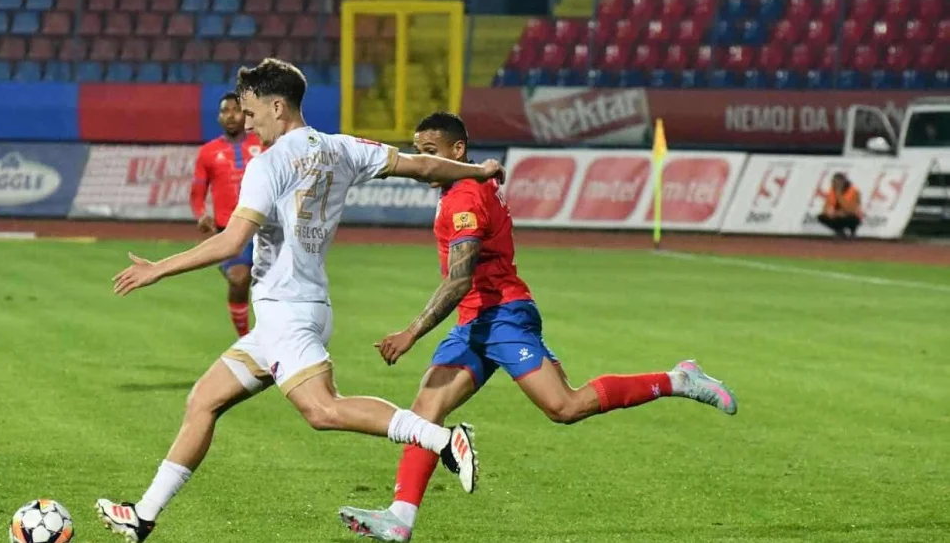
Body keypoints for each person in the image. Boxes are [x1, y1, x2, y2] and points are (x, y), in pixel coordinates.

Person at [96, 60, 505, 542]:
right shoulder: (342, 147)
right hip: (289, 311)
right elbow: (420, 166)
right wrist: (476, 170)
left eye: (251, 114)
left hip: (288, 312)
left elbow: (231, 243)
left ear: (277, 106)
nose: (247, 124)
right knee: (203, 401)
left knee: (323, 410)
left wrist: (157, 269)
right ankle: (143, 515)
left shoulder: (266, 164)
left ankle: (441, 440)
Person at [337, 113, 738, 543]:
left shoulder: (464, 199)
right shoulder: (466, 186)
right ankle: (400, 518)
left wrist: (411, 332)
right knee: (425, 414)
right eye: (418, 151)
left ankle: (679, 379)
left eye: (430, 152)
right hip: (476, 321)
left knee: (564, 406)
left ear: (457, 151)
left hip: (502, 316)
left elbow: (459, 280)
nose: (422, 161)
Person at [189, 91, 264, 337]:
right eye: (225, 111)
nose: (231, 115)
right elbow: (197, 194)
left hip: (265, 229)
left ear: (246, 114)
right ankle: (245, 339)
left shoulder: (262, 144)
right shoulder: (208, 153)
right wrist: (201, 215)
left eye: (236, 109)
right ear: (219, 117)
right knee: (239, 278)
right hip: (229, 232)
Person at [817, 172, 862, 239]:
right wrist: (828, 212)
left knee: (851, 218)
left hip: (851, 215)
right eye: (834, 181)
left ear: (843, 181)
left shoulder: (854, 191)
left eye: (837, 181)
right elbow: (826, 205)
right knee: (822, 217)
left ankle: (852, 232)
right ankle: (839, 231)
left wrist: (839, 194)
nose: (835, 183)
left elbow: (851, 210)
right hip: (837, 215)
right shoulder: (832, 190)